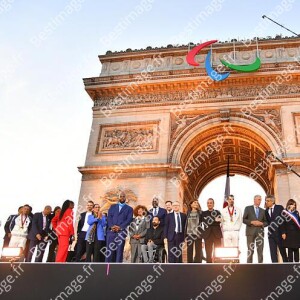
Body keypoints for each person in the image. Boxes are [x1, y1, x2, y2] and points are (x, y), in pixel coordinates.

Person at [105, 191, 133, 262]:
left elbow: (129, 219)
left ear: (125, 198)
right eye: (121, 196)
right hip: (111, 232)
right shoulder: (112, 207)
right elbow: (109, 217)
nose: (122, 197)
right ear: (118, 197)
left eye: (123, 196)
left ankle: (117, 269)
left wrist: (120, 227)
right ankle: (107, 269)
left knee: (119, 251)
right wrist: (111, 226)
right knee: (109, 251)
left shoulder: (129, 208)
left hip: (121, 232)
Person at [243, 195, 268, 263]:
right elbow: (244, 219)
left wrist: (262, 224)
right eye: (258, 199)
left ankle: (260, 266)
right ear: (254, 200)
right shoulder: (248, 208)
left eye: (260, 200)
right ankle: (249, 266)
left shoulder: (263, 211)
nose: (260, 201)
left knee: (260, 250)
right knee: (250, 250)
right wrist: (251, 222)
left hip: (260, 233)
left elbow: (266, 222)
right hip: (250, 232)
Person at [265, 195, 288, 263]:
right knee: (273, 252)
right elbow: (268, 222)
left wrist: (283, 232)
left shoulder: (279, 207)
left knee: (282, 252)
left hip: (279, 233)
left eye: (268, 201)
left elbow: (283, 219)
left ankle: (286, 266)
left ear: (273, 201)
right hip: (271, 234)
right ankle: (274, 268)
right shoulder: (266, 211)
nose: (266, 202)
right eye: (266, 201)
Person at [202, 198, 222, 263]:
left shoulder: (217, 212)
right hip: (207, 235)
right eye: (208, 203)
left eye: (211, 203)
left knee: (218, 253)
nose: (209, 204)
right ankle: (208, 268)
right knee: (208, 253)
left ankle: (217, 267)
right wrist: (214, 220)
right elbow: (206, 222)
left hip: (217, 235)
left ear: (213, 204)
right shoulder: (203, 213)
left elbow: (219, 221)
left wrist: (210, 220)